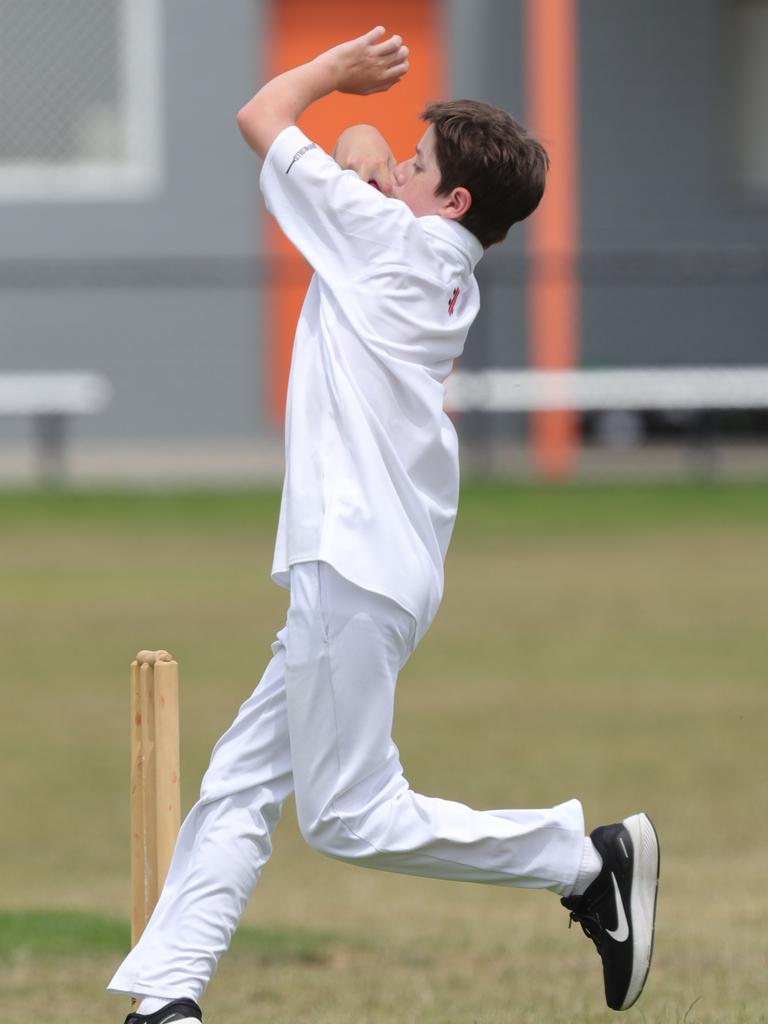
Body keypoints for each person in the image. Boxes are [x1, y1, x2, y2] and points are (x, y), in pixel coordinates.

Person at [108, 27, 659, 1024]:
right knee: (238, 787)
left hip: (352, 565)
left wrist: (330, 76)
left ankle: (583, 859)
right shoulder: (432, 255)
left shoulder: (386, 244)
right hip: (372, 568)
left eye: (419, 167)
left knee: (349, 817)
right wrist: (370, 147)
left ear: (449, 201)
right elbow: (361, 148)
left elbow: (263, 118)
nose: (395, 171)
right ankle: (168, 997)